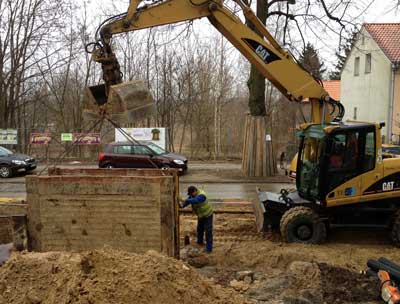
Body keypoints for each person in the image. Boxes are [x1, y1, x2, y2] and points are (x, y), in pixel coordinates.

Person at [180, 186, 213, 253]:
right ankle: (200, 242)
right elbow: (189, 201)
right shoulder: (192, 196)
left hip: (207, 215)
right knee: (200, 229)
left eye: (191, 194)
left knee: (208, 231)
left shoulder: (201, 195)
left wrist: (184, 200)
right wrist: (182, 205)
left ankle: (209, 249)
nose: (191, 195)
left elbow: (196, 200)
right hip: (201, 216)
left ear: (195, 191)